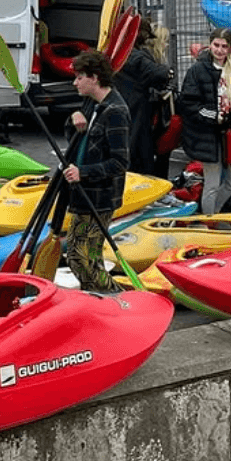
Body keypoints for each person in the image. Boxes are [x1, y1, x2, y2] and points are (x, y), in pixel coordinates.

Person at [63, 50, 130, 293]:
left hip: (99, 196)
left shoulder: (115, 112)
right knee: (79, 257)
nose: (75, 82)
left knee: (82, 259)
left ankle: (116, 299)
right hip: (83, 193)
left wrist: (85, 172)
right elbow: (77, 139)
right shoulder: (93, 103)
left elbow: (120, 161)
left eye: (79, 77)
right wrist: (74, 119)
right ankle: (98, 299)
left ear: (94, 78)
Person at [179, 28, 231, 215]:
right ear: (210, 45)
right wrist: (215, 116)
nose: (219, 50)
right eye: (216, 45)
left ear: (230, 49)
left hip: (230, 135)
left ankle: (212, 212)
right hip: (207, 135)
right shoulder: (197, 70)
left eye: (224, 46)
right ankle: (209, 220)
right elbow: (189, 104)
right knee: (212, 183)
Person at [113, 19, 172, 175]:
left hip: (128, 107)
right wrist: (168, 74)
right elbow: (159, 74)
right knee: (138, 151)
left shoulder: (121, 52)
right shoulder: (137, 56)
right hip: (138, 109)